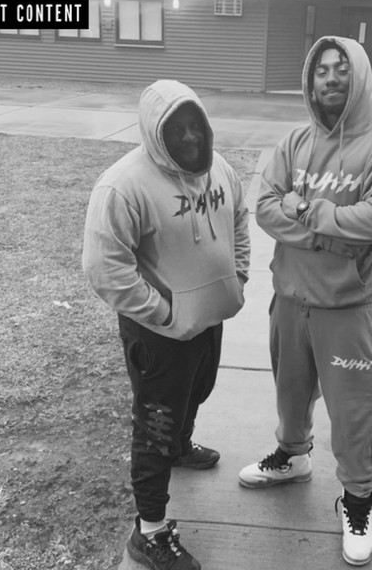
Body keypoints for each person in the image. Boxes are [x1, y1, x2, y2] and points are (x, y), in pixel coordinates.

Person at [238, 36, 372, 566]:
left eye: (341, 69)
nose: (331, 78)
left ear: (359, 76)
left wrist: (306, 212)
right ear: (310, 81)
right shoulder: (294, 141)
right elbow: (265, 207)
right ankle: (293, 457)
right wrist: (333, 232)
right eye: (321, 70)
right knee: (290, 393)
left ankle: (357, 500)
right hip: (291, 298)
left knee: (354, 412)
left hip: (347, 307)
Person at [83, 80, 250, 570]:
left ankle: (180, 446)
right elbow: (105, 269)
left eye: (195, 125)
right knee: (155, 427)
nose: (190, 137)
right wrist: (165, 314)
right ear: (155, 133)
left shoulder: (220, 169)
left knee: (197, 391)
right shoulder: (123, 186)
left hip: (208, 321)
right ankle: (150, 531)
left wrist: (237, 276)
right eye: (176, 129)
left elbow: (239, 219)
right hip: (158, 337)